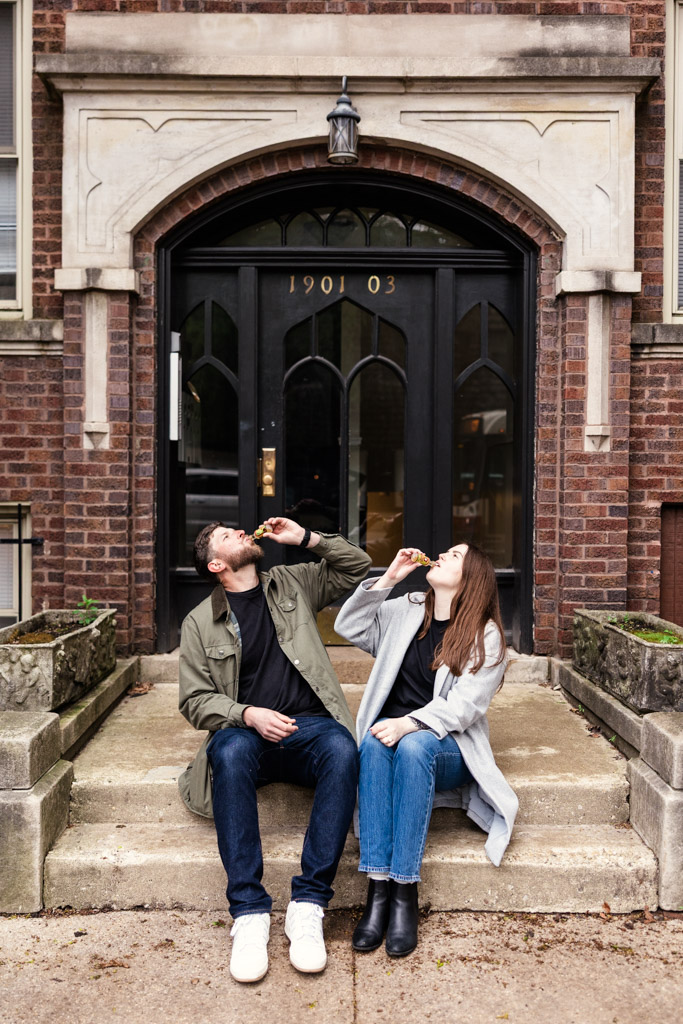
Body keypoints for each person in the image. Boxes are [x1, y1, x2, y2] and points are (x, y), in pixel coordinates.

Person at [177, 517, 371, 983]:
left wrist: (306, 538)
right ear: (217, 563)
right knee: (227, 753)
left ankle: (308, 906)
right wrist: (248, 714)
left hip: (309, 729)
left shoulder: (292, 582)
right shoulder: (200, 622)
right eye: (227, 535)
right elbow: (194, 700)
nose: (240, 532)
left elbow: (358, 567)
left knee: (343, 750)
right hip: (247, 732)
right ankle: (248, 913)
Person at [335, 542, 518, 957]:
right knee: (375, 743)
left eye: (455, 555)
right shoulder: (406, 608)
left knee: (414, 746)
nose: (442, 556)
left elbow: (464, 707)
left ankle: (405, 892)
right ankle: (377, 890)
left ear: (470, 577)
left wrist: (409, 723)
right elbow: (350, 627)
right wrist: (389, 579)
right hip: (393, 739)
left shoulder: (484, 633)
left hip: (447, 747)